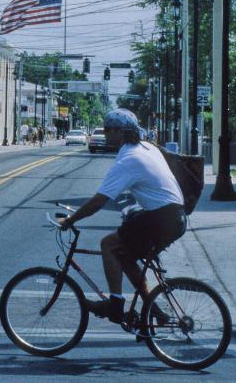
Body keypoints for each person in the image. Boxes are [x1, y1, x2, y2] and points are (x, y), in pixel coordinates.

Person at [57, 108, 185, 323]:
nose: (104, 133)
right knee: (124, 256)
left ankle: (115, 305)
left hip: (162, 218)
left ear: (119, 132)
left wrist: (71, 220)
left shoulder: (129, 159)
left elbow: (99, 201)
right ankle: (154, 311)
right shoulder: (146, 148)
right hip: (173, 216)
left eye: (107, 129)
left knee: (108, 244)